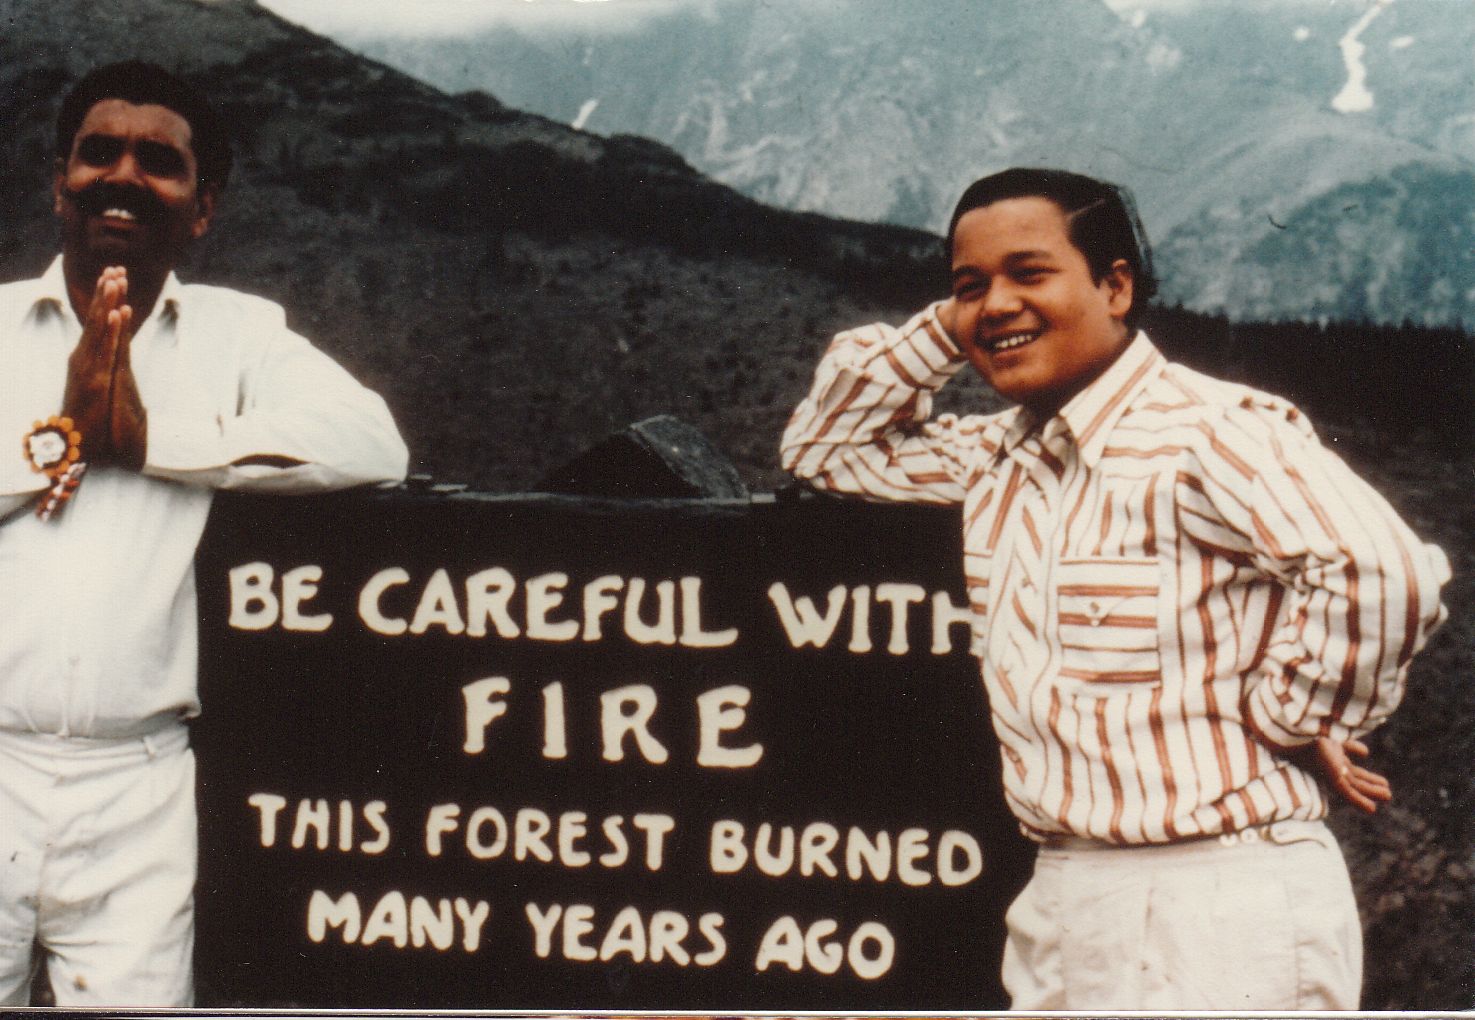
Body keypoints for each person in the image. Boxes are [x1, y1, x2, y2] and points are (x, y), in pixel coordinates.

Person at [780, 167, 1449, 1010]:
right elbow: (828, 449)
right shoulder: (993, 460)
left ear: (1115, 285)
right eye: (969, 283)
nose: (995, 304)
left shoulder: (1210, 433)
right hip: (1063, 890)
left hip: (1217, 898)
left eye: (1029, 273)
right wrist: (955, 324)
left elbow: (1379, 573)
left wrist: (1290, 719)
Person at [0, 62, 408, 1006]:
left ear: (203, 206)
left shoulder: (240, 338)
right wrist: (62, 440)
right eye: (99, 153)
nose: (123, 177)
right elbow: (66, 440)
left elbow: (372, 441)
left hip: (139, 785)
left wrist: (154, 443)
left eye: (159, 161)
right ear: (59, 183)